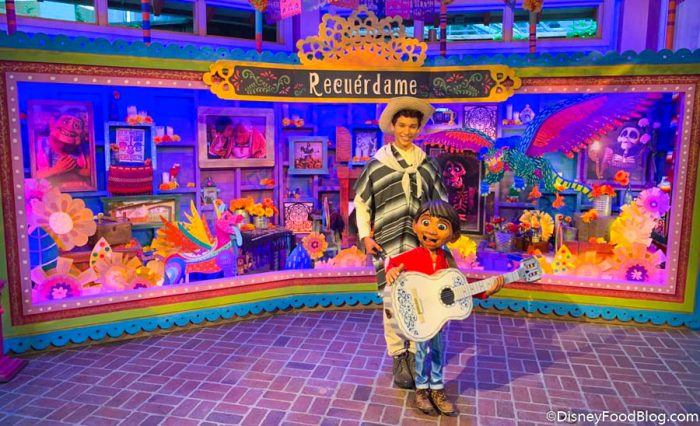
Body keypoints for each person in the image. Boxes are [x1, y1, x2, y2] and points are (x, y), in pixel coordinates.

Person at [353, 96, 449, 390]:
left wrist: (442, 236)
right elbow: (361, 203)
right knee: (392, 301)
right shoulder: (377, 165)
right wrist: (365, 236)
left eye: (412, 126)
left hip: (423, 246)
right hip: (387, 244)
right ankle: (398, 354)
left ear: (419, 128)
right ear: (393, 126)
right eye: (402, 125)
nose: (407, 131)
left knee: (421, 299)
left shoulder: (428, 165)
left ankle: (415, 351)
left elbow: (442, 204)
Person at [385, 200, 505, 416]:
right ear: (415, 225)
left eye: (441, 226)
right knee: (420, 353)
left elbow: (460, 287)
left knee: (438, 353)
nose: (432, 230)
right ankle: (421, 391)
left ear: (453, 235)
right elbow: (393, 263)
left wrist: (485, 291)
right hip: (421, 319)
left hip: (439, 320)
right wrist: (392, 271)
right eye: (426, 222)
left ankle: (437, 389)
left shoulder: (448, 261)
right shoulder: (412, 256)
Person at [35, 111, 93, 191]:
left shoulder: (84, 149)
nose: (70, 127)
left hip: (80, 191)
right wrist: (56, 169)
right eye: (65, 122)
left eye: (76, 125)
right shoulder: (40, 146)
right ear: (52, 123)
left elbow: (92, 172)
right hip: (51, 193)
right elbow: (33, 176)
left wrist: (74, 169)